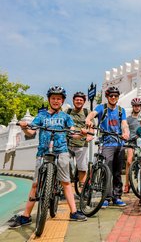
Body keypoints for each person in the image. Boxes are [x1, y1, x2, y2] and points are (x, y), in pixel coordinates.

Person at [9, 86, 87, 228]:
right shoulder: (41, 116)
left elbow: (72, 132)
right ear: (49, 99)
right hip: (43, 153)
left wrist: (81, 133)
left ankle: (74, 212)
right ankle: (26, 216)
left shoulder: (65, 117)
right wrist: (24, 127)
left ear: (62, 101)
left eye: (58, 98)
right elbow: (31, 133)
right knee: (35, 184)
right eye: (53, 98)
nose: (56, 101)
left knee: (66, 182)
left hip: (61, 151)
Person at [85, 86, 129, 208]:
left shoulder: (121, 110)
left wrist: (126, 132)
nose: (113, 98)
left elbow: (124, 124)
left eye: (115, 96)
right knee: (107, 171)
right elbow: (92, 114)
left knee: (118, 172)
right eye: (111, 96)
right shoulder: (102, 108)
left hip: (119, 143)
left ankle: (117, 197)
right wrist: (88, 119)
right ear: (107, 97)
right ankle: (106, 197)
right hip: (106, 143)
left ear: (118, 97)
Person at [66, 92, 94, 194]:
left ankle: (82, 190)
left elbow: (91, 127)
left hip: (82, 144)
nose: (78, 101)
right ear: (73, 101)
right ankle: (62, 188)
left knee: (82, 168)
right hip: (68, 143)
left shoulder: (87, 112)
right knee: (63, 164)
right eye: (77, 100)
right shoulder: (68, 112)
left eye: (81, 100)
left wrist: (89, 136)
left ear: (84, 102)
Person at [124, 97, 141, 193]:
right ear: (133, 107)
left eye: (138, 106)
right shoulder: (128, 119)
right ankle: (127, 183)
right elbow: (125, 129)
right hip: (131, 142)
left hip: (140, 142)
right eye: (135, 106)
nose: (136, 107)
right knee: (129, 161)